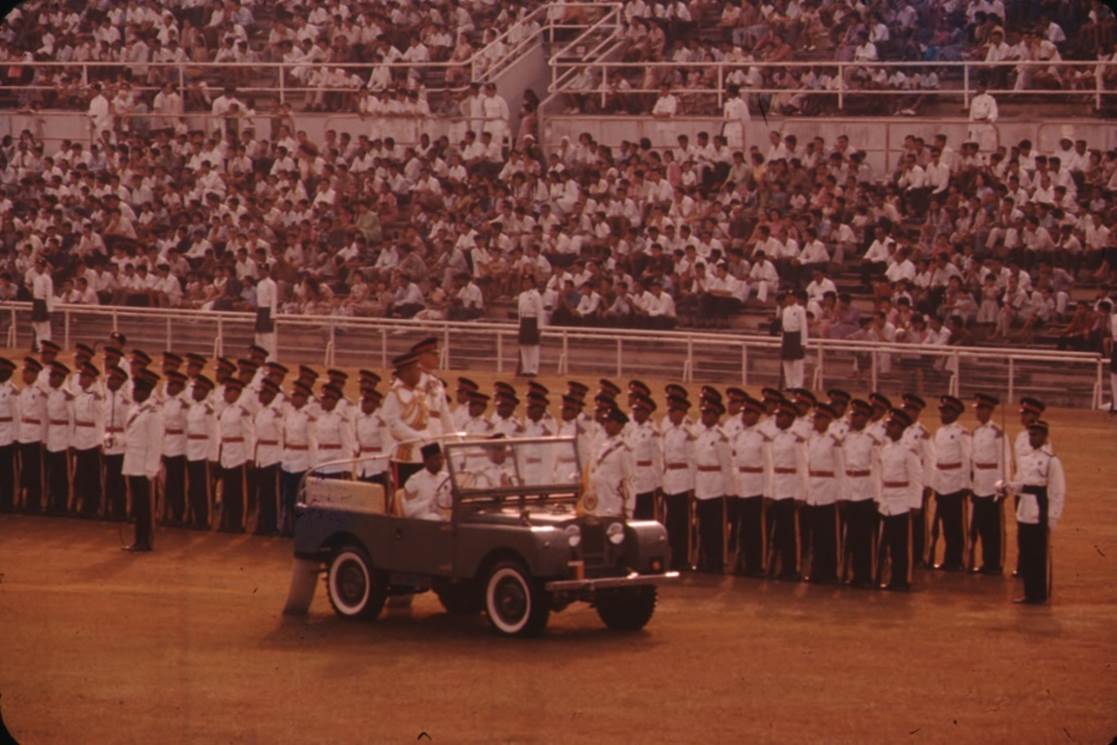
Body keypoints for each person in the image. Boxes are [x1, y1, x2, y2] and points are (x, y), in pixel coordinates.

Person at [1002, 420, 1065, 604]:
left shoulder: (1051, 461)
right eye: (1030, 434)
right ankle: (1029, 592)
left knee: (1039, 553)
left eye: (1036, 434)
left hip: (1040, 508)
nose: (1033, 437)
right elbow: (1022, 484)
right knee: (1027, 552)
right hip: (1025, 508)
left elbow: (1057, 491)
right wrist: (1008, 488)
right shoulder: (1025, 459)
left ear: (1045, 437)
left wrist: (1053, 517)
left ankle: (1041, 593)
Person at [877, 408, 922, 591]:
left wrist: (914, 503)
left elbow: (916, 478)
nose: (888, 428)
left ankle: (902, 579)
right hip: (887, 499)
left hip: (902, 500)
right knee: (887, 542)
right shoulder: (885, 448)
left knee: (901, 544)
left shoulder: (909, 450)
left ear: (900, 428)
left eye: (891, 425)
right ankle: (888, 577)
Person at [122, 372, 163, 552]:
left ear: (146, 392)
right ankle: (138, 539)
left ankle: (146, 540)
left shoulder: (153, 413)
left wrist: (151, 468)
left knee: (146, 506)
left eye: (137, 390)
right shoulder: (136, 409)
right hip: (132, 463)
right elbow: (132, 437)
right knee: (138, 505)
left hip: (145, 466)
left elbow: (155, 443)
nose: (133, 393)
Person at [929, 395, 971, 571]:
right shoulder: (939, 432)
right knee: (943, 525)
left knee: (956, 526)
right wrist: (935, 483)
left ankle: (957, 560)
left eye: (947, 411)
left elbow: (967, 459)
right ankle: (947, 559)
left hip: (955, 483)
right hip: (942, 483)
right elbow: (936, 460)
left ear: (955, 413)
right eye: (942, 411)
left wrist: (965, 484)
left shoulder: (962, 433)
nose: (943, 414)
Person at [840, 398, 878, 587]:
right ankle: (847, 572)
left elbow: (878, 470)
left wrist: (878, 497)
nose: (853, 418)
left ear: (867, 418)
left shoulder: (872, 440)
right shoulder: (845, 438)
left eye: (858, 415)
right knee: (849, 536)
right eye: (852, 414)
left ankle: (864, 575)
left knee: (864, 537)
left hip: (865, 490)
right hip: (848, 489)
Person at [804, 402, 843, 583]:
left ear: (828, 420)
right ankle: (815, 570)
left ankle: (830, 572)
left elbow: (840, 470)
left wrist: (840, 495)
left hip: (829, 489)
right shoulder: (811, 439)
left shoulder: (834, 441)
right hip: (813, 489)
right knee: (815, 533)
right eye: (815, 417)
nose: (815, 421)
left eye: (819, 418)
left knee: (829, 534)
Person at [730, 396, 767, 577]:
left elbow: (768, 465)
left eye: (749, 412)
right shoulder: (739, 435)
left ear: (757, 415)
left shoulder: (763, 437)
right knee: (741, 527)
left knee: (754, 528)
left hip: (756, 485)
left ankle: (755, 564)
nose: (744, 416)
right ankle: (741, 562)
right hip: (741, 485)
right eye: (743, 412)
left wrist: (768, 490)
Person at [969, 393, 1006, 574]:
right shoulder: (975, 432)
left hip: (992, 483)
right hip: (979, 483)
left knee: (993, 528)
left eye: (982, 409)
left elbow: (1003, 461)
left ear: (990, 411)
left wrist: (1001, 487)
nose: (979, 412)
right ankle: (985, 561)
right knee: (981, 526)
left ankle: (994, 563)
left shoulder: (997, 433)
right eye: (978, 409)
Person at [693, 400, 732, 573]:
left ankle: (716, 561)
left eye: (709, 414)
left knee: (716, 526)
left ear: (716, 416)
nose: (705, 417)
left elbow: (727, 466)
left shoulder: (721, 437)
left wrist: (729, 491)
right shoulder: (700, 435)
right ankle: (703, 559)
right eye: (703, 413)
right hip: (702, 483)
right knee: (703, 525)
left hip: (716, 485)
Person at [217, 377, 254, 533]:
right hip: (227, 452)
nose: (225, 394)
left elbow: (249, 434)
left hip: (239, 453)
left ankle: (238, 522)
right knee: (227, 490)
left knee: (239, 491)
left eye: (228, 391)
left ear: (236, 393)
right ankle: (226, 521)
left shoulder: (242, 412)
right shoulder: (225, 410)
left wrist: (249, 456)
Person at [280, 381, 315, 537]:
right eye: (293, 395)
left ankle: (300, 529)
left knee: (300, 497)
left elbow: (312, 442)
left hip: (302, 461)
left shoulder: (308, 417)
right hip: (288, 459)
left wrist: (312, 465)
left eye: (297, 395)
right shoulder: (290, 414)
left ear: (305, 398)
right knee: (287, 496)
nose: (293, 398)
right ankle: (287, 526)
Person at [585, 406, 633, 517]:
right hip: (598, 499)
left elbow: (629, 479)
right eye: (605, 421)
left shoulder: (624, 448)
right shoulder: (602, 444)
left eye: (610, 422)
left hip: (613, 500)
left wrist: (629, 507)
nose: (606, 424)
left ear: (620, 425)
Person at [185, 374, 216, 530]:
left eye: (198, 389)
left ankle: (204, 519)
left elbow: (214, 433)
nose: (194, 391)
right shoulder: (192, 407)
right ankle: (192, 516)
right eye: (194, 388)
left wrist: (212, 457)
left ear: (206, 391)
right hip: (191, 450)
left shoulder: (208, 410)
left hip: (203, 451)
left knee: (203, 488)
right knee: (191, 487)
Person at [43, 361, 74, 516]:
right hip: (52, 435)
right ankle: (51, 501)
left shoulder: (67, 396)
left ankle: (62, 504)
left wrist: (70, 441)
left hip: (63, 435)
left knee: (62, 473)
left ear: (61, 377)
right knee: (52, 472)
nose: (50, 379)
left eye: (53, 376)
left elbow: (71, 419)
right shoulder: (52, 394)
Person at [253, 379, 283, 535]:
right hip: (261, 455)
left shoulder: (276, 413)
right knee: (262, 492)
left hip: (273, 455)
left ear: (271, 394)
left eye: (263, 393)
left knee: (272, 493)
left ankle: (273, 525)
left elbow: (282, 436)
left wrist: (281, 457)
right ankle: (262, 523)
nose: (260, 396)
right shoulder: (261, 411)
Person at [102, 364, 131, 521]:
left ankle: (120, 509)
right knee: (108, 476)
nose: (110, 381)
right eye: (109, 378)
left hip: (120, 441)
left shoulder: (124, 400)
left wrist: (124, 441)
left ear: (121, 381)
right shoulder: (107, 398)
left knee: (119, 478)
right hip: (107, 439)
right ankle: (108, 507)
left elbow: (128, 424)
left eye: (113, 379)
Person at [626, 394, 662, 519]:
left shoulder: (652, 432)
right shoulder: (633, 431)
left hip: (647, 479)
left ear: (646, 412)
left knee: (646, 514)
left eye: (638, 410)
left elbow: (657, 459)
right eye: (634, 410)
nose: (634, 413)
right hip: (633, 477)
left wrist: (658, 484)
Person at [161, 371, 189, 526]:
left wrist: (185, 449)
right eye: (169, 383)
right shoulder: (166, 402)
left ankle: (178, 514)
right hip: (166, 443)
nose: (169, 387)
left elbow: (186, 427)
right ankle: (166, 512)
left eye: (172, 384)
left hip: (179, 445)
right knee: (166, 482)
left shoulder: (183, 404)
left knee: (178, 482)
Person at [402, 442, 452, 521]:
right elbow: (408, 511)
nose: (440, 462)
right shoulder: (414, 481)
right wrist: (429, 502)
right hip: (422, 522)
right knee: (433, 518)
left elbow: (450, 503)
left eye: (441, 458)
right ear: (426, 461)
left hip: (444, 519)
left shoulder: (446, 478)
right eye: (436, 459)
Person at [355, 388, 390, 490]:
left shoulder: (381, 420)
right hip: (362, 463)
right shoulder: (360, 419)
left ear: (375, 403)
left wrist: (384, 467)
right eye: (362, 402)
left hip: (377, 465)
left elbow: (386, 444)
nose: (363, 404)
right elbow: (357, 439)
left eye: (366, 402)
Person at [779, 290, 808, 389]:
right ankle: (789, 385)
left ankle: (798, 386)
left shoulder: (800, 309)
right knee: (787, 362)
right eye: (787, 297)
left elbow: (803, 326)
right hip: (787, 337)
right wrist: (782, 341)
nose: (789, 299)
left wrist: (803, 342)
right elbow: (783, 328)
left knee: (797, 363)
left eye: (791, 297)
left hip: (796, 336)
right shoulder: (785, 310)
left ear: (795, 298)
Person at [516, 275, 544, 376]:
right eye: (524, 282)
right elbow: (520, 312)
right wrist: (520, 325)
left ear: (532, 283)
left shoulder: (536, 295)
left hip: (532, 320)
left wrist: (539, 327)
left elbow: (540, 311)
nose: (526, 284)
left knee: (533, 346)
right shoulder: (521, 295)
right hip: (524, 321)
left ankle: (533, 369)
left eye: (528, 282)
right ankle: (526, 369)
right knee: (524, 346)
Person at [0, 357, 17, 513]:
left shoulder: (12, 390)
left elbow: (16, 415)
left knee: (6, 469)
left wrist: (15, 436)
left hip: (7, 432)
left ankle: (7, 501)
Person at [30, 256, 54, 352]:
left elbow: (49, 294)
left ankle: (46, 346)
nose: (37, 267)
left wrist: (49, 309)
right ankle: (39, 345)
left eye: (39, 266)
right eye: (36, 265)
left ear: (43, 267)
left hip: (43, 303)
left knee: (45, 327)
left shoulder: (47, 279)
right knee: (36, 325)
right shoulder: (35, 278)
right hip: (36, 302)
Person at [254, 266, 278, 359]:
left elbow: (273, 300)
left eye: (262, 271)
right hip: (260, 310)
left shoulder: (271, 284)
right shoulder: (259, 283)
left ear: (267, 271)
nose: (260, 273)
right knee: (258, 335)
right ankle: (259, 357)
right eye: (259, 271)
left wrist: (273, 315)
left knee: (268, 337)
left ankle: (270, 359)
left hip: (267, 310)